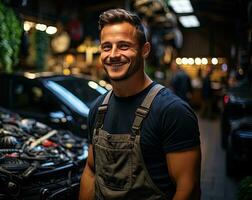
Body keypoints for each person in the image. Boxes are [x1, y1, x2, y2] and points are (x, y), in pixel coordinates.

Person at [79, 8, 201, 200]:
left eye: (124, 46)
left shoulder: (172, 111)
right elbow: (91, 171)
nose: (113, 54)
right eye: (106, 47)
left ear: (145, 50)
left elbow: (188, 189)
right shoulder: (98, 109)